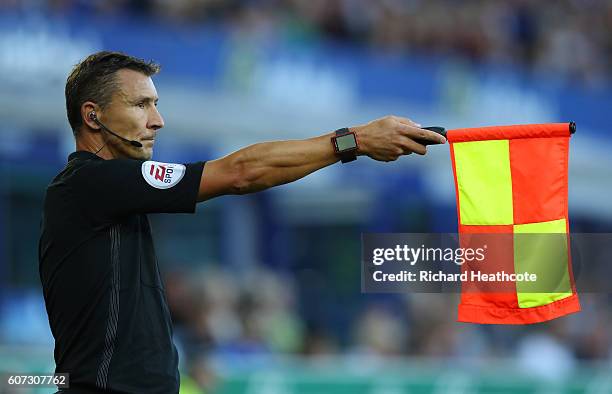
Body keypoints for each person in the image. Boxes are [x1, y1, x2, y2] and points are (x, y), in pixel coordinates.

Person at [38, 51, 446, 394]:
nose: (157, 120)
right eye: (140, 104)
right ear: (92, 116)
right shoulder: (89, 182)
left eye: (156, 104)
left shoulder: (109, 193)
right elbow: (240, 172)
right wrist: (353, 140)